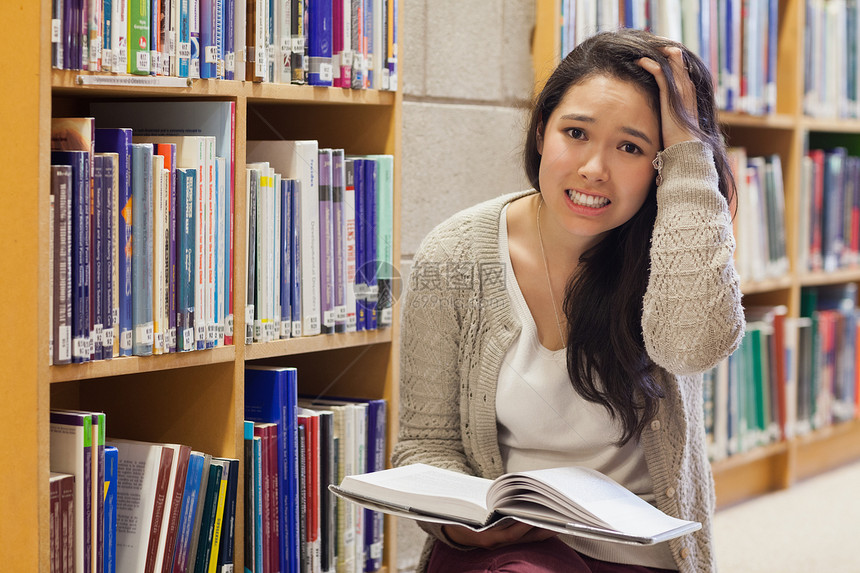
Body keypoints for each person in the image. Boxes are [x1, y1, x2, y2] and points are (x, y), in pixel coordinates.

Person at [391, 28, 745, 573]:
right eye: (575, 132)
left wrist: (692, 156)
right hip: (507, 552)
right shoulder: (455, 252)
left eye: (631, 146)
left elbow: (692, 347)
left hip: (642, 553)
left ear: (663, 164)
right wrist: (463, 523)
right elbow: (425, 444)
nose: (593, 169)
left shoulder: (677, 242)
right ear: (541, 132)